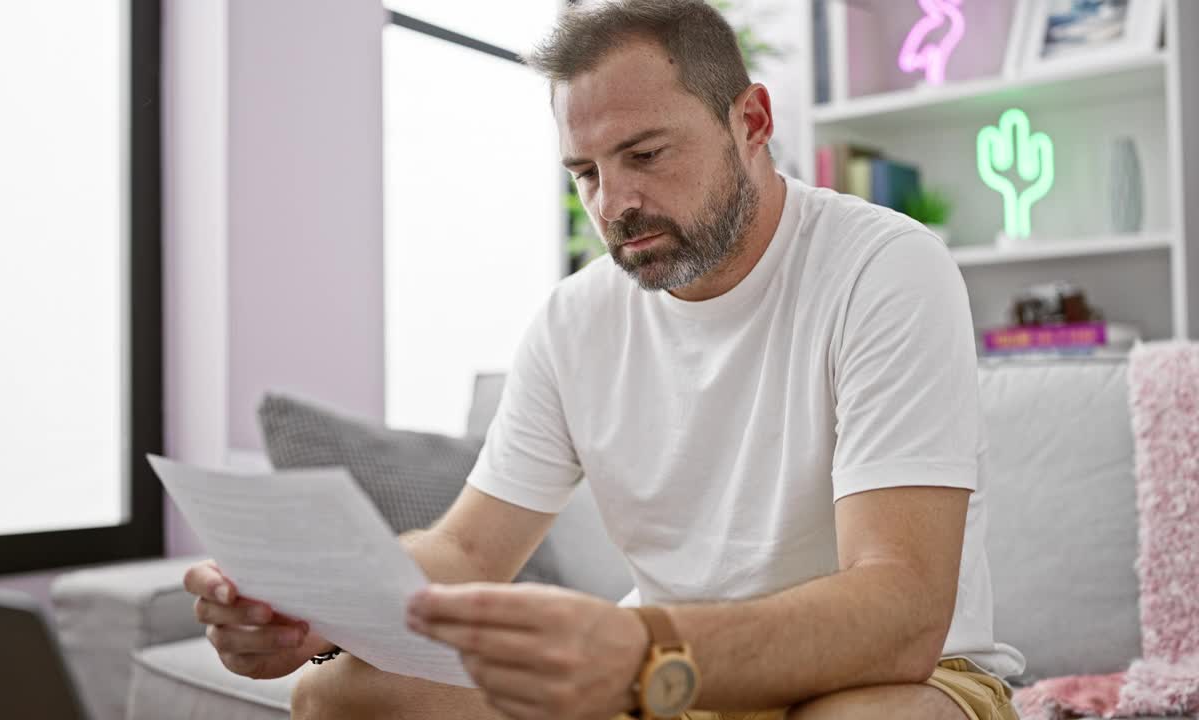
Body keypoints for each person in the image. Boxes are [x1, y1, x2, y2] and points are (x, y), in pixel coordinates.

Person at [182, 1, 1026, 718]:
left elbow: (900, 609)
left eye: (646, 155)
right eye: (584, 171)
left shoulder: (884, 268)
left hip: (884, 680)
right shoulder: (575, 318)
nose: (613, 204)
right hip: (661, 675)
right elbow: (471, 554)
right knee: (339, 697)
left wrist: (635, 649)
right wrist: (313, 611)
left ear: (753, 121)